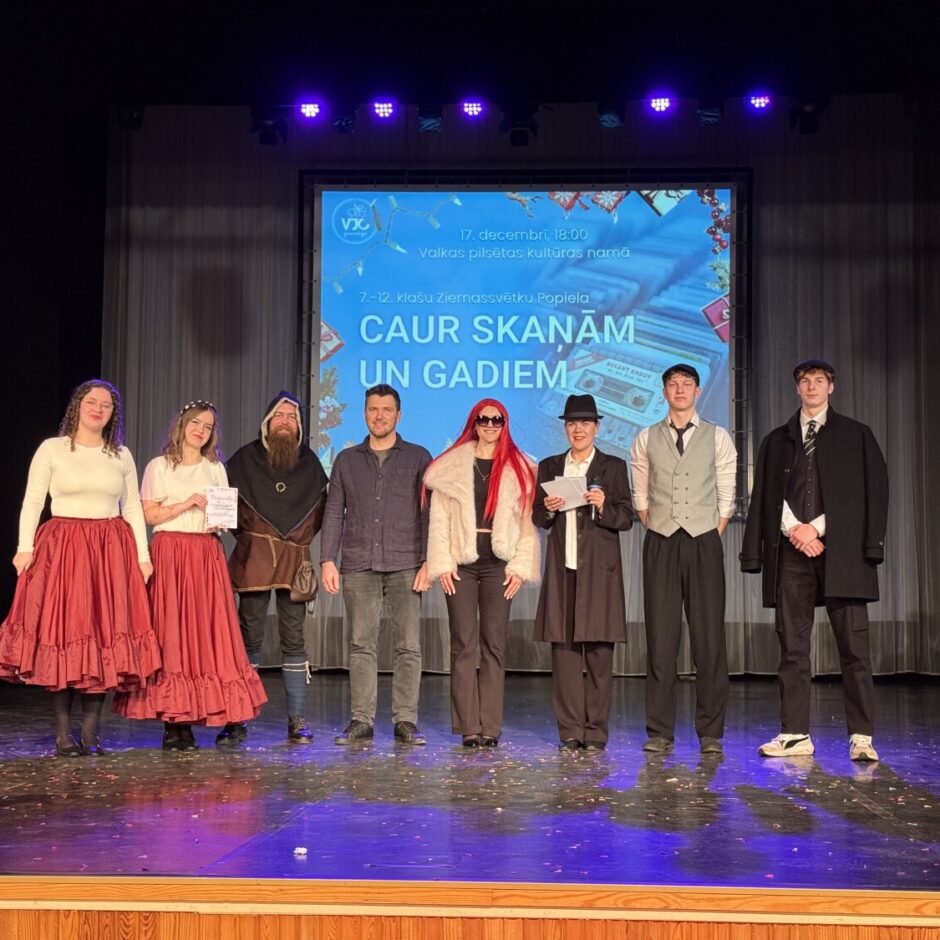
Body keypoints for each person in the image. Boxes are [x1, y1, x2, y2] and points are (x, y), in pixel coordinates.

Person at [0, 379, 160, 756]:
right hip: (63, 548)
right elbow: (33, 500)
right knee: (65, 634)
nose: (98, 409)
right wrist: (24, 547)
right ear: (78, 405)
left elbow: (131, 507)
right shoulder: (53, 448)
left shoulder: (120, 454)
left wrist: (142, 555)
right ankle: (63, 734)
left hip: (108, 550)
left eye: (106, 404)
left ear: (113, 413)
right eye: (92, 401)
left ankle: (90, 733)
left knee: (103, 635)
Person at [740, 359, 888, 762]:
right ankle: (794, 734)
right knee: (792, 647)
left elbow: (870, 493)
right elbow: (766, 496)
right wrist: (795, 531)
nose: (811, 387)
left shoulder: (856, 435)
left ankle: (861, 736)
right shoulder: (777, 439)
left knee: (854, 648)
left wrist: (818, 529)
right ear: (797, 388)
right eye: (805, 381)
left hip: (844, 554)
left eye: (819, 381)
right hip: (792, 554)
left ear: (830, 387)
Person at [112, 401, 268, 749]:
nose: (201, 430)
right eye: (196, 423)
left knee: (204, 634)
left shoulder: (215, 468)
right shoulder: (159, 466)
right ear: (182, 425)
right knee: (172, 633)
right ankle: (173, 724)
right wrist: (188, 503)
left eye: (208, 426)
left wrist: (219, 521)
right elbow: (148, 514)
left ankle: (196, 715)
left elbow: (224, 512)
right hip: (171, 552)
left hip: (205, 553)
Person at [630, 363, 736, 756]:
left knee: (709, 639)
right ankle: (659, 731)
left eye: (687, 384)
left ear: (697, 391)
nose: (679, 390)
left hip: (704, 539)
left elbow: (727, 489)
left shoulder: (717, 436)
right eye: (673, 384)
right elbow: (640, 493)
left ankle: (711, 732)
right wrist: (657, 524)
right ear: (663, 392)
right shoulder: (645, 437)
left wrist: (712, 528)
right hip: (661, 540)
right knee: (661, 639)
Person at [423, 399, 540, 747]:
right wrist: (441, 563)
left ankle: (490, 726)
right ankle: (468, 727)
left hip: (498, 564)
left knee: (494, 644)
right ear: (474, 423)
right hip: (460, 563)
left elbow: (527, 524)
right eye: (483, 419)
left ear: (504, 424)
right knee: (462, 643)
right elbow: (439, 521)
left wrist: (520, 566)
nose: (490, 425)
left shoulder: (521, 467)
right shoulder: (451, 466)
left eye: (496, 420)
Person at [321, 384, 432, 746]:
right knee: (360, 644)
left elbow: (428, 514)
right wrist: (327, 559)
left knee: (408, 646)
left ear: (399, 415)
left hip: (406, 562)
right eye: (373, 409)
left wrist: (429, 560)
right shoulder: (346, 460)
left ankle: (406, 720)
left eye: (386, 410)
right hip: (358, 563)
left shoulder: (418, 457)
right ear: (364, 413)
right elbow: (334, 512)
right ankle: (361, 720)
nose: (379, 416)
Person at [220, 390, 328, 745]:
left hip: (294, 559)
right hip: (254, 556)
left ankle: (297, 719)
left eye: (291, 417)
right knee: (248, 636)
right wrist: (256, 537)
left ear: (299, 425)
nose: (285, 422)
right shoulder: (243, 460)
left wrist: (293, 540)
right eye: (279, 416)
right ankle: (238, 718)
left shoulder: (309, 463)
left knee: (294, 638)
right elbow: (228, 508)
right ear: (267, 423)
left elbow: (320, 512)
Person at [533, 393, 634, 752]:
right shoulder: (550, 466)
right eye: (573, 423)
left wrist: (604, 506)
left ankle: (596, 731)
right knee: (564, 655)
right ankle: (570, 731)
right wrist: (548, 508)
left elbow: (627, 518)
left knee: (599, 655)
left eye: (586, 423)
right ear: (565, 428)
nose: (579, 429)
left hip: (599, 573)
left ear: (597, 428)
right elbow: (538, 517)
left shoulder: (613, 466)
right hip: (564, 570)